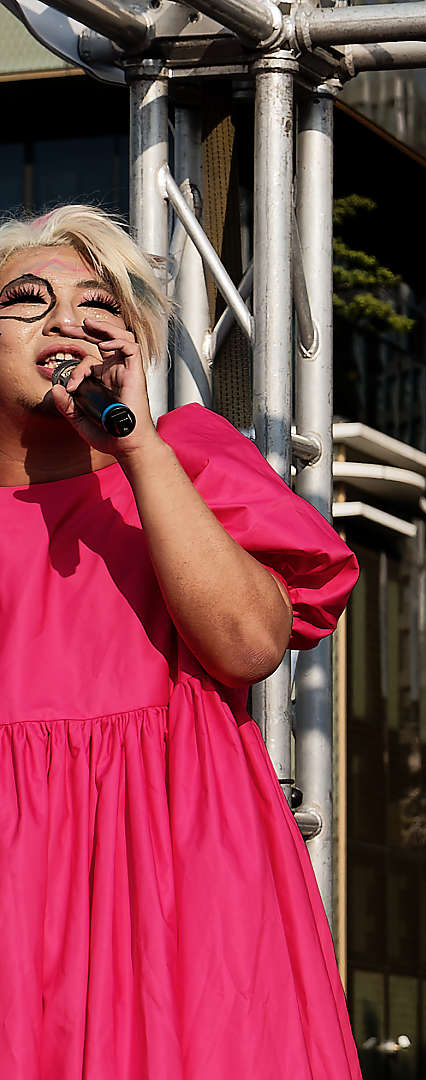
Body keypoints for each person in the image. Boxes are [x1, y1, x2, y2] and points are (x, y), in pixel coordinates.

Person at [0, 205, 361, 1078]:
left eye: (100, 303)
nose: (70, 318)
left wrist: (139, 448)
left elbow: (249, 645)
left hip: (180, 891)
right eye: (28, 297)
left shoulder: (184, 458)